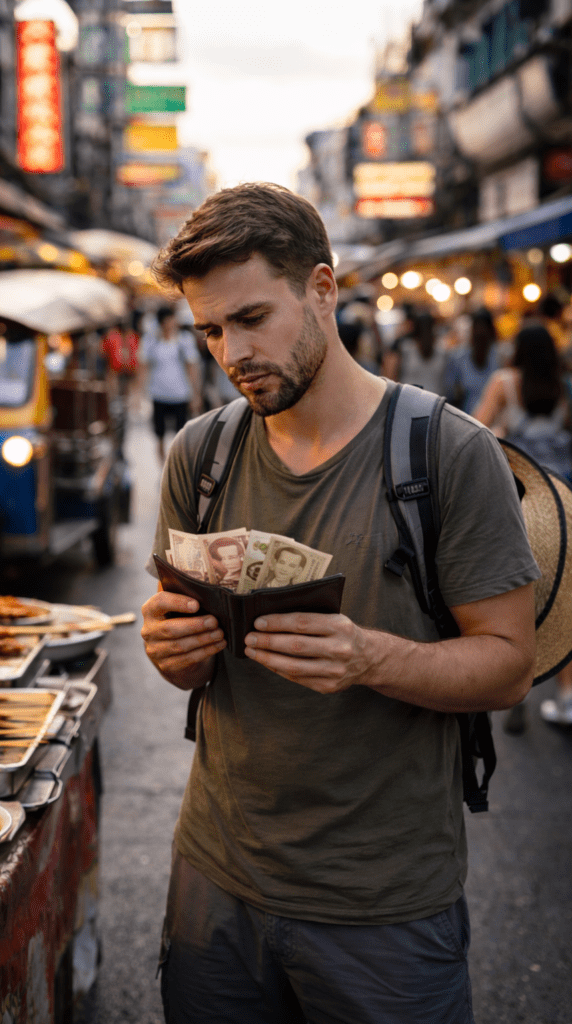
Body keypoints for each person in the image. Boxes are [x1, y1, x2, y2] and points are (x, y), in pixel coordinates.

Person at [141, 182, 539, 1024]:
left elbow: (507, 665)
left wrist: (368, 656)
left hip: (384, 907)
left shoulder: (445, 453)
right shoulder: (200, 455)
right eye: (209, 329)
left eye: (252, 317)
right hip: (214, 877)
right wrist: (169, 651)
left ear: (322, 289)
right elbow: (184, 666)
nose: (230, 350)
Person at [474, 323, 572, 729]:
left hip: (521, 502)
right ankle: (567, 695)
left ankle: (517, 689)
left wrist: (501, 433)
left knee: (520, 598)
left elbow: (475, 430)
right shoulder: (563, 387)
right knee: (564, 598)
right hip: (565, 502)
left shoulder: (504, 383)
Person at [139, 305, 202, 463]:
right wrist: (139, 393)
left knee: (180, 434)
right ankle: (163, 467)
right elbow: (144, 366)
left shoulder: (184, 340)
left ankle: (177, 464)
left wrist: (195, 394)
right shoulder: (151, 341)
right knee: (159, 434)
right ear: (163, 321)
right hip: (158, 394)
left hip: (180, 394)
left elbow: (192, 367)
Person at [443, 307, 503, 414]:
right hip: (466, 419)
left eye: (484, 328)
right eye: (477, 327)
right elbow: (451, 393)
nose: (480, 332)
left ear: (491, 331)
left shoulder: (501, 357)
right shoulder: (458, 357)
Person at [382, 307, 447, 394]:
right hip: (410, 400)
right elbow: (390, 376)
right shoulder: (404, 348)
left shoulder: (442, 350)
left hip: (432, 401)